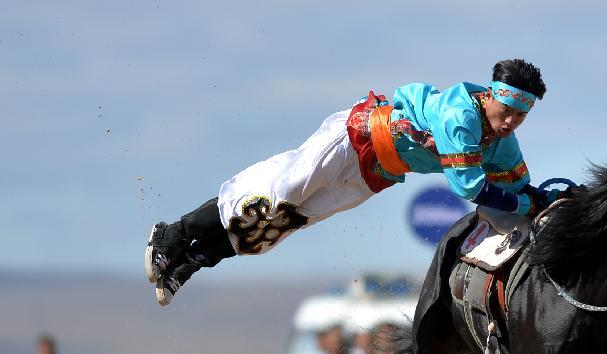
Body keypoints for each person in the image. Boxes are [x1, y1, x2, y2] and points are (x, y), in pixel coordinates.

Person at [145, 59, 575, 305]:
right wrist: (525, 205)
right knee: (275, 196)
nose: (513, 121)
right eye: (509, 110)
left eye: (522, 115)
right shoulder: (460, 114)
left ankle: (190, 263)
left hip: (378, 174)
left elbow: (520, 185)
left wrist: (545, 199)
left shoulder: (502, 142)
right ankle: (173, 235)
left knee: (287, 222)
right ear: (492, 96)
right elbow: (467, 186)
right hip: (356, 137)